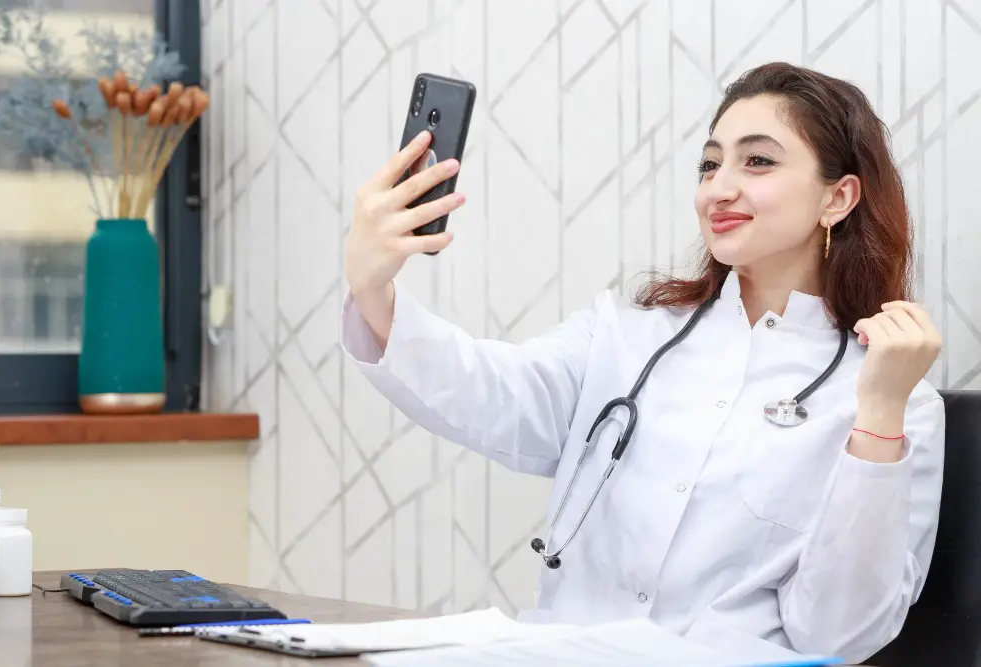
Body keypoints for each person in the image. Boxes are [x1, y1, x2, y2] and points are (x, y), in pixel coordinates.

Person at [339, 62, 945, 664]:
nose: (720, 187)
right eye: (710, 164)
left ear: (837, 197)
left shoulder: (899, 402)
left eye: (757, 160)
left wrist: (880, 415)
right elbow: (488, 393)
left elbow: (839, 636)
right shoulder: (625, 334)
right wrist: (374, 289)